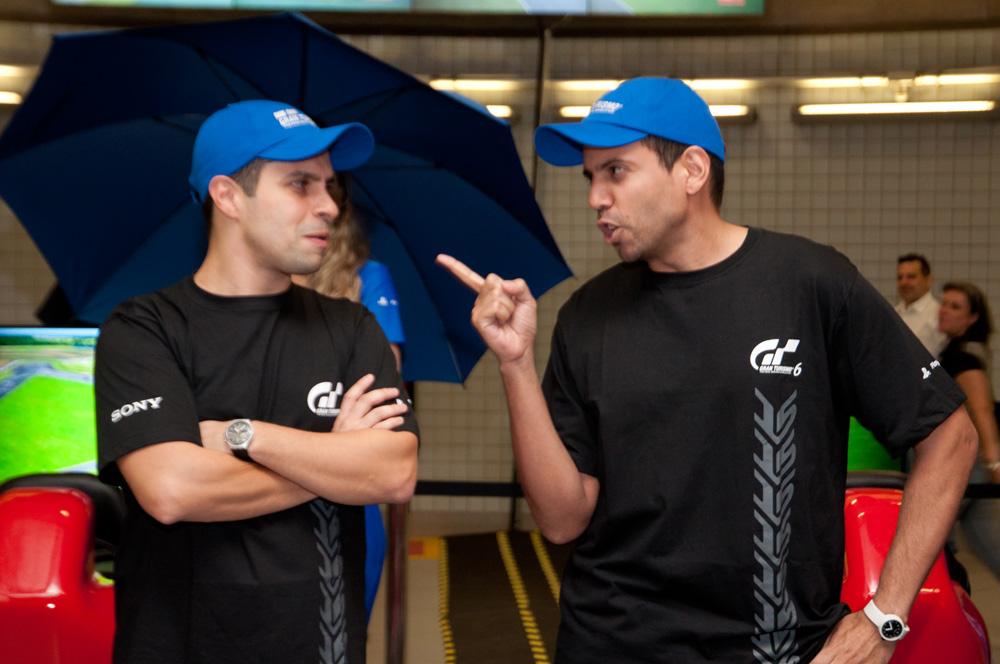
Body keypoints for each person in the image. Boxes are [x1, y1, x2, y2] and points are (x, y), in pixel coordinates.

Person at [437, 77, 977, 663]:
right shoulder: (586, 316)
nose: (595, 197)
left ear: (692, 170)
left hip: (775, 648)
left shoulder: (811, 285)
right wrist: (515, 364)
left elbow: (951, 435)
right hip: (612, 644)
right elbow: (563, 521)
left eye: (616, 171)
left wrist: (883, 618)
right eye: (589, 177)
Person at [95, 100, 419, 664]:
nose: (329, 206)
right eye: (300, 184)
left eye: (328, 185)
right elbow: (172, 491)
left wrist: (244, 436)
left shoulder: (350, 327)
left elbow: (393, 472)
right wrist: (333, 463)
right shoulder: (144, 328)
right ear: (227, 197)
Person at [293, 180, 406, 620]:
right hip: (255, 511)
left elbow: (380, 398)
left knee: (340, 633)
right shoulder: (246, 293)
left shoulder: (366, 279)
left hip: (346, 504)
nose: (317, 203)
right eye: (298, 185)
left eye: (326, 189)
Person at [937, 281, 1000, 578]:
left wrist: (994, 463)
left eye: (955, 307)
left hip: (965, 466)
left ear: (972, 318)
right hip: (970, 466)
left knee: (933, 539)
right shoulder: (953, 351)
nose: (944, 310)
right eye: (944, 303)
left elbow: (982, 409)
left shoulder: (965, 359)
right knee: (992, 546)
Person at [895, 253, 947, 356]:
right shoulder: (893, 313)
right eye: (900, 277)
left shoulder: (939, 315)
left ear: (929, 280)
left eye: (911, 277)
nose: (904, 282)